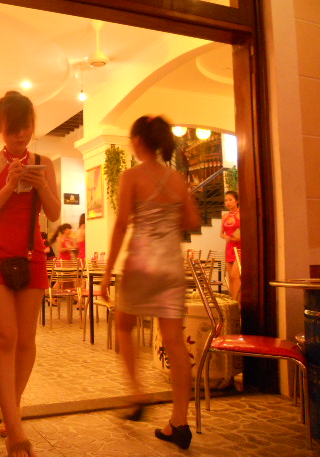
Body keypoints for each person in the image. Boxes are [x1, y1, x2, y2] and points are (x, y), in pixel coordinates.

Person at [101, 115, 200, 451]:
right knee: (174, 341)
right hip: (171, 266)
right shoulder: (177, 178)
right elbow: (192, 218)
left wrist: (107, 273)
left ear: (138, 141)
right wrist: (167, 220)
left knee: (124, 326)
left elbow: (121, 225)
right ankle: (179, 421)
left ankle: (137, 393)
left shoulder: (131, 176)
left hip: (141, 263)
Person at [0, 90, 60, 457]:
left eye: (25, 127)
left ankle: (12, 411)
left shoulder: (44, 162)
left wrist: (42, 186)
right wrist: (10, 184)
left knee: (26, 340)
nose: (20, 135)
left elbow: (54, 214)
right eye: (13, 129)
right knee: (4, 338)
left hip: (33, 256)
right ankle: (14, 429)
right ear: (1, 128)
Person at [221, 190, 241, 301]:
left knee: (235, 275)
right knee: (230, 277)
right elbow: (221, 233)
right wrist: (226, 237)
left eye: (230, 200)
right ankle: (234, 301)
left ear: (237, 201)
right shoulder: (225, 216)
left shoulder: (241, 214)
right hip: (229, 248)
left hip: (239, 247)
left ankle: (235, 300)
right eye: (226, 200)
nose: (227, 202)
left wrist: (239, 235)